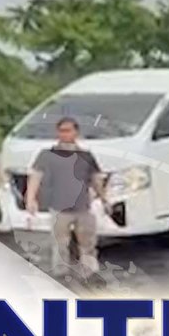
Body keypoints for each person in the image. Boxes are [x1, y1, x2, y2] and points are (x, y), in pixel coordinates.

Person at [24, 117, 108, 280]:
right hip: (59, 206)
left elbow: (96, 179)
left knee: (88, 243)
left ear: (76, 132)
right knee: (60, 243)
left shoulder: (86, 156)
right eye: (61, 130)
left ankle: (89, 272)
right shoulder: (47, 155)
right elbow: (35, 177)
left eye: (68, 130)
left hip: (82, 206)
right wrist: (30, 199)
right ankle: (61, 274)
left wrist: (104, 198)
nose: (64, 134)